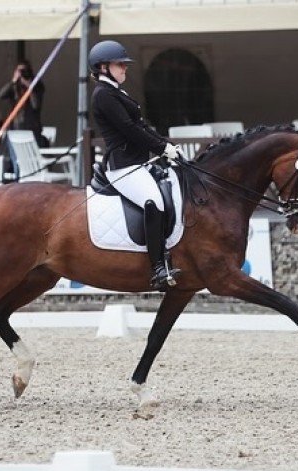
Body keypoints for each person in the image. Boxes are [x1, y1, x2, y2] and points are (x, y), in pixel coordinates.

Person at [89, 40, 183, 290]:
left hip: (138, 161)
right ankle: (158, 268)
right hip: (123, 166)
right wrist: (162, 148)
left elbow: (141, 126)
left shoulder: (118, 92)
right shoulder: (103, 95)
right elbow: (129, 130)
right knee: (155, 201)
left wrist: (166, 144)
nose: (124, 69)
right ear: (103, 67)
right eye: (120, 65)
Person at [0, 60, 48, 147]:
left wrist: (30, 88)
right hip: (16, 126)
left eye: (24, 71)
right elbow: (1, 95)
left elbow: (35, 105)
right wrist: (13, 81)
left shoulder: (37, 85)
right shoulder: (14, 86)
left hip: (32, 127)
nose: (22, 74)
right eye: (20, 71)